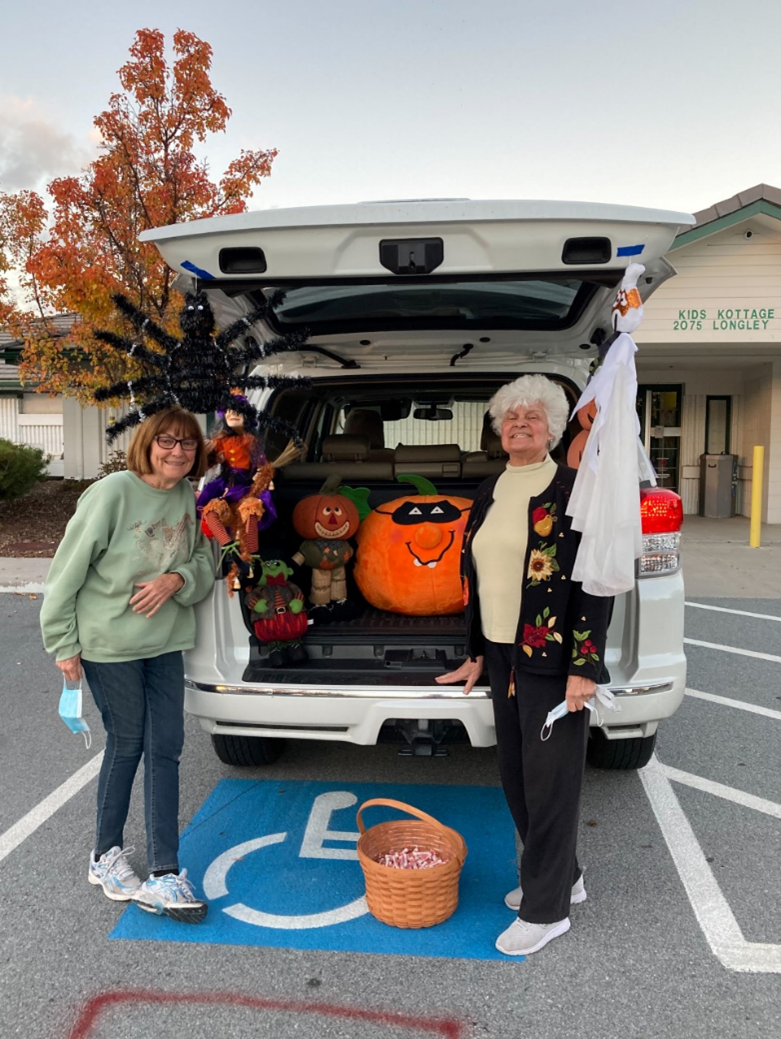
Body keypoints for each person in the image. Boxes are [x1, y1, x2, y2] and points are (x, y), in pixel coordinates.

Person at [436, 375, 612, 956]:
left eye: (533, 416)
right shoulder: (491, 489)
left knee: (550, 782)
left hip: (553, 656)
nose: (520, 424)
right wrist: (478, 654)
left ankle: (546, 909)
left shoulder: (572, 489)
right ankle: (567, 877)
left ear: (555, 429)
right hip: (505, 653)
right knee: (515, 774)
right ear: (498, 429)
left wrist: (585, 665)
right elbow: (482, 579)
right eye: (511, 416)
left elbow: (595, 584)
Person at [40, 407, 215, 923]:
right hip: (108, 644)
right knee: (128, 742)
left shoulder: (190, 497)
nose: (178, 452)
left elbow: (206, 564)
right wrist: (63, 644)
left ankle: (164, 872)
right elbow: (65, 573)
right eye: (167, 441)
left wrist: (175, 580)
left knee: (167, 747)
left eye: (187, 445)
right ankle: (105, 855)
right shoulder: (113, 492)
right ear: (147, 443)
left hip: (164, 641)